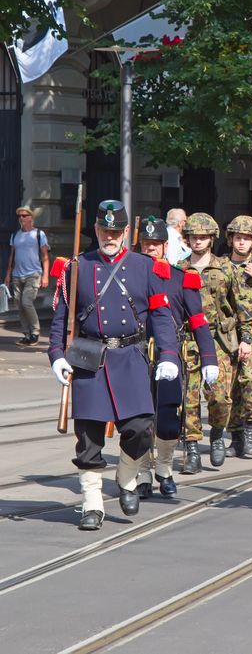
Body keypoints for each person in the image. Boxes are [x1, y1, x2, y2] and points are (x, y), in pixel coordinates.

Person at [48, 200, 181, 531]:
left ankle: (126, 476)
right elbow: (62, 318)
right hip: (89, 359)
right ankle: (91, 503)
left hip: (131, 357)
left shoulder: (147, 267)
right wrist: (56, 354)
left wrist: (168, 354)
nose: (110, 236)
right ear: (96, 230)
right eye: (105, 231)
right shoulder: (78, 266)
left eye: (116, 231)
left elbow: (163, 317)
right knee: (89, 436)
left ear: (126, 233)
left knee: (140, 429)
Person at [134, 217, 219, 492]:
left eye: (155, 244)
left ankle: (164, 467)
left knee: (170, 417)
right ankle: (144, 474)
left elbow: (198, 321)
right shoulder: (129, 279)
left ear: (165, 246)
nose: (150, 249)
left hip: (172, 357)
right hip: (136, 357)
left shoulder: (183, 279)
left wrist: (209, 358)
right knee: (139, 419)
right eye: (145, 244)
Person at [179, 213, 251, 468]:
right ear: (187, 239)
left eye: (202, 237)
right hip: (188, 341)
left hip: (219, 341)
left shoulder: (227, 268)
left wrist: (247, 339)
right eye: (193, 237)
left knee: (219, 397)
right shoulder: (178, 268)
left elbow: (243, 305)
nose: (197, 241)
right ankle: (192, 449)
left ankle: (218, 434)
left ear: (212, 238)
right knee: (188, 398)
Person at [222, 216, 252, 458]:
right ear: (230, 239)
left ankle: (251, 429)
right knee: (230, 388)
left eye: (247, 239)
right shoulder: (221, 266)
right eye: (238, 238)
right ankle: (236, 436)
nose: (242, 243)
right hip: (226, 336)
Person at [5, 205, 49, 346]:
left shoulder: (38, 234)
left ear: (31, 218)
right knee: (19, 306)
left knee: (26, 302)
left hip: (33, 274)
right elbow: (12, 256)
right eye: (20, 216)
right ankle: (26, 334)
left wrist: (45, 276)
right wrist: (8, 275)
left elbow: (45, 256)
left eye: (24, 216)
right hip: (17, 275)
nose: (21, 218)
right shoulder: (15, 235)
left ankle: (35, 332)